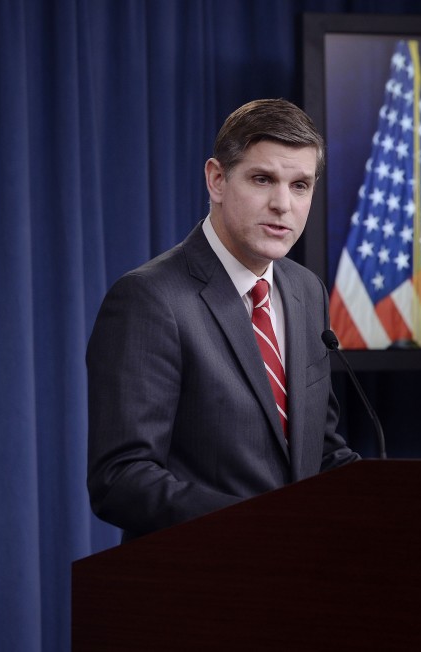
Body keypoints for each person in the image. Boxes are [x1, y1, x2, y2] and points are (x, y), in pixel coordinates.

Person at [86, 99, 360, 541]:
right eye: (262, 179)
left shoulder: (307, 291)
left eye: (300, 186)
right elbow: (120, 479)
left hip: (301, 582)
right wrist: (264, 526)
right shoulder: (150, 298)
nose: (282, 204)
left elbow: (321, 452)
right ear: (216, 179)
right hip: (200, 585)